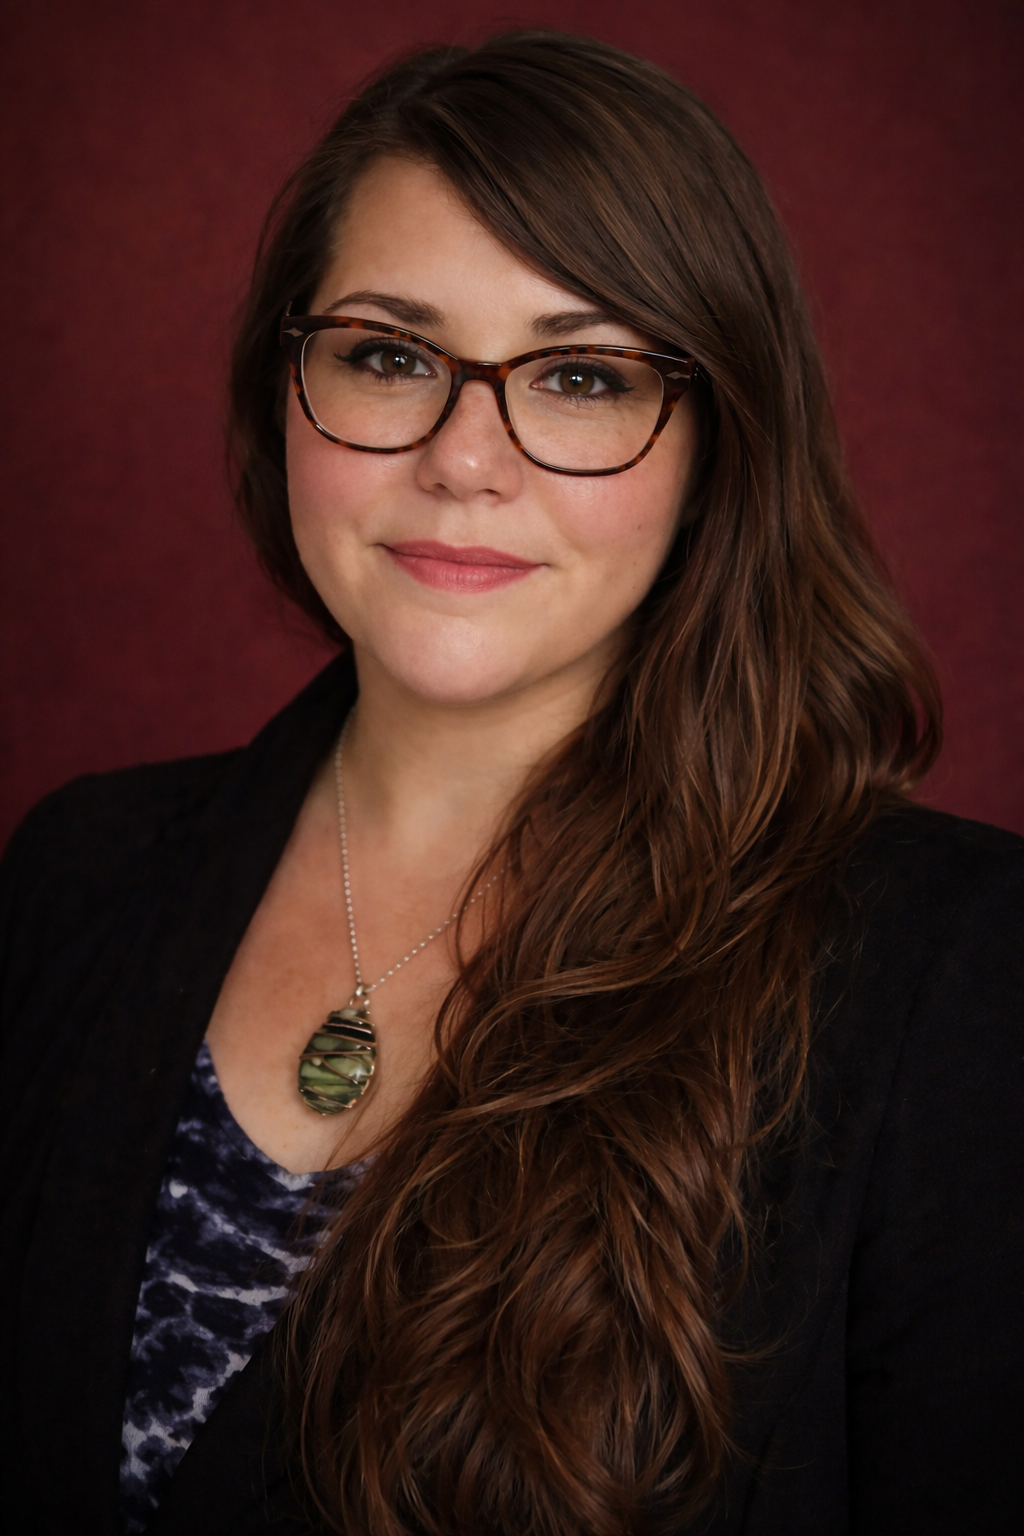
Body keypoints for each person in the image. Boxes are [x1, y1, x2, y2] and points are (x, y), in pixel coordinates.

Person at [0, 29, 1020, 1536]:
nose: (467, 457)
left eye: (581, 375)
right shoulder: (75, 871)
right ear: (287, 388)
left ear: (717, 445)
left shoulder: (957, 973)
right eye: (392, 354)